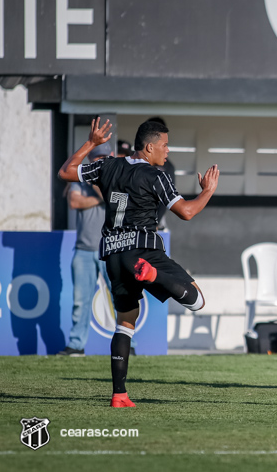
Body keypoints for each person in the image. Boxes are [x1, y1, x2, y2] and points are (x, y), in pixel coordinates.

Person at [58, 118, 220, 407]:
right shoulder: (156, 176)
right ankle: (153, 273)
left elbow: (66, 172)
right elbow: (186, 212)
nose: (167, 151)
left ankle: (119, 394)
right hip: (144, 252)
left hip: (113, 255)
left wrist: (91, 143)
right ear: (149, 147)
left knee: (124, 324)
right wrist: (207, 191)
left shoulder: (107, 164)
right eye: (165, 145)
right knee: (197, 301)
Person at [57, 142, 116, 357]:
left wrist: (93, 189)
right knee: (80, 301)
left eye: (102, 158)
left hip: (109, 248)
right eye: (95, 158)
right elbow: (74, 202)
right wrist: (95, 197)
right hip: (83, 249)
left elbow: (109, 199)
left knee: (119, 298)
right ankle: (76, 345)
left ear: (109, 157)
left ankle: (129, 344)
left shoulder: (114, 177)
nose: (98, 161)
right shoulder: (79, 178)